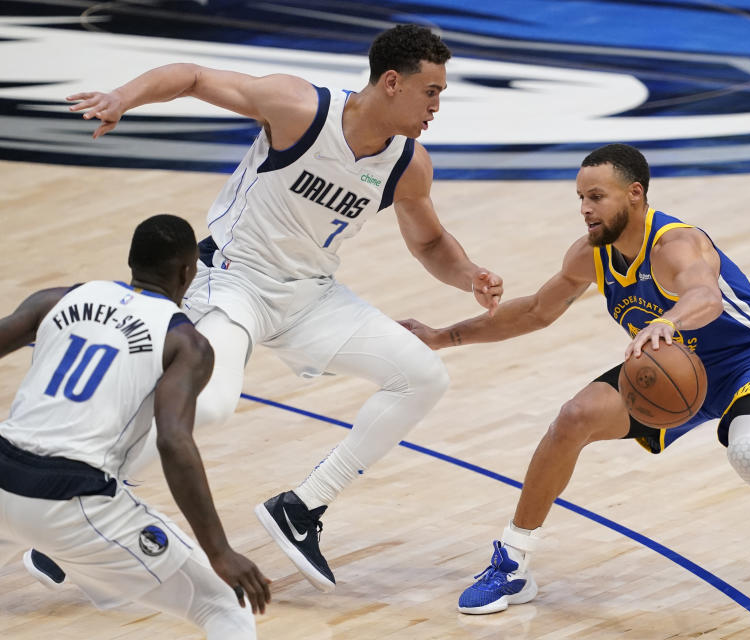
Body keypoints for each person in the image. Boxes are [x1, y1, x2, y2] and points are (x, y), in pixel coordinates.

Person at [59, 24, 503, 593]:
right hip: (232, 281)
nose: (438, 106)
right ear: (392, 83)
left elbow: (429, 242)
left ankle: (301, 508)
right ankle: (89, 502)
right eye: (432, 91)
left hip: (309, 295)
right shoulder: (299, 108)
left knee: (422, 376)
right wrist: (124, 97)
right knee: (213, 405)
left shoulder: (408, 163)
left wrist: (469, 275)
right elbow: (193, 78)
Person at [400, 143, 750, 615]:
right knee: (574, 418)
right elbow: (535, 311)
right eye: (580, 197)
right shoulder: (591, 253)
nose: (585, 209)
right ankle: (513, 562)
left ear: (634, 194)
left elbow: (707, 297)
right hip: (670, 366)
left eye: (597, 197)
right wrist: (441, 336)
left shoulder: (675, 244)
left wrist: (670, 322)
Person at [0, 214, 271, 638]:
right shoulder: (186, 342)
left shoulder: (56, 299)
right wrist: (219, 551)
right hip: (72, 499)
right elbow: (174, 442)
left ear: (131, 260)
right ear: (187, 272)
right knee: (223, 605)